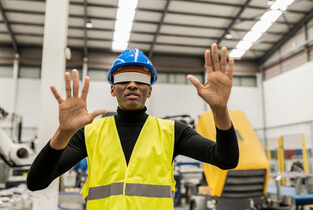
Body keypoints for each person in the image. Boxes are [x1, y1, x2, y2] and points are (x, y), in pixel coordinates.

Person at [27, 43, 239, 209]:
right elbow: (36, 182)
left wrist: (220, 109)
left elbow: (226, 159)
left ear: (150, 90)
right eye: (124, 78)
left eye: (140, 79)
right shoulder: (90, 133)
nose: (132, 84)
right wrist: (63, 133)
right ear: (112, 89)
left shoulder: (173, 132)